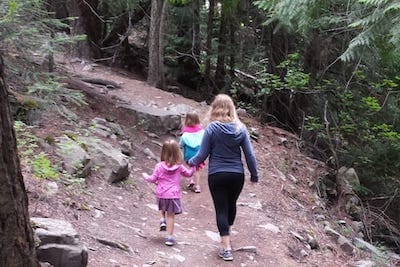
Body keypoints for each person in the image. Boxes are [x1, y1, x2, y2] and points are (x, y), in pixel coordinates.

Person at [188, 94, 258, 261]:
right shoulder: (241, 128)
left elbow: (202, 155)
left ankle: (226, 247)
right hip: (237, 175)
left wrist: (189, 162)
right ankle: (227, 235)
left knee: (221, 208)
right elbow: (250, 155)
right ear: (231, 108)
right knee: (231, 204)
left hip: (217, 174)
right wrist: (254, 175)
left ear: (215, 108)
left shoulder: (212, 128)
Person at [143, 139, 196, 246]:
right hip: (173, 195)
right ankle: (170, 238)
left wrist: (145, 176)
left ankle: (162, 219)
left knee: (162, 207)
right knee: (171, 216)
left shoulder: (159, 166)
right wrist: (194, 166)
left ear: (163, 152)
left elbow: (152, 179)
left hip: (161, 193)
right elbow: (189, 174)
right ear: (177, 152)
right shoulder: (179, 166)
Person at [179, 111, 205, 193]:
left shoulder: (185, 132)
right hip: (199, 153)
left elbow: (181, 144)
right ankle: (197, 186)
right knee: (197, 169)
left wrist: (180, 147)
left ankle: (191, 180)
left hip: (189, 153)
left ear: (187, 119)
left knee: (190, 166)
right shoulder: (201, 131)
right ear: (197, 119)